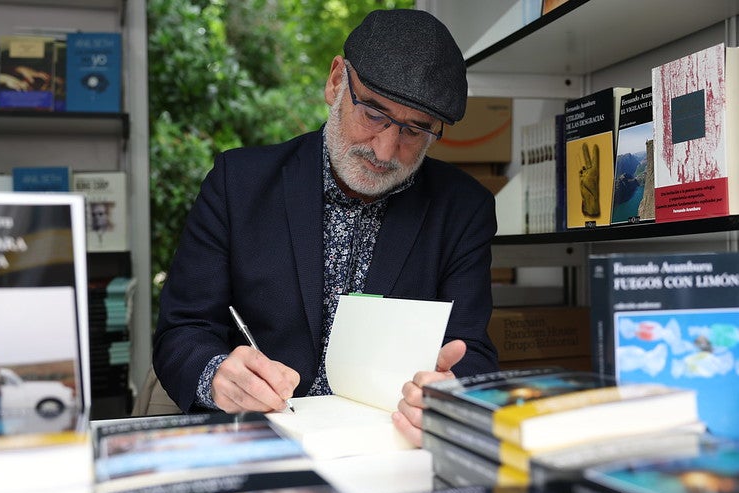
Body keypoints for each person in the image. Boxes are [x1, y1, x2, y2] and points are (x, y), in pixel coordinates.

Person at [153, 8, 499, 446]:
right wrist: (215, 375)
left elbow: (474, 352)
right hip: (259, 439)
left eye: (415, 131)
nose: (386, 148)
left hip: (388, 448)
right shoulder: (237, 183)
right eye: (374, 113)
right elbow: (181, 332)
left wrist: (450, 393)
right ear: (337, 80)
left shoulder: (464, 209)